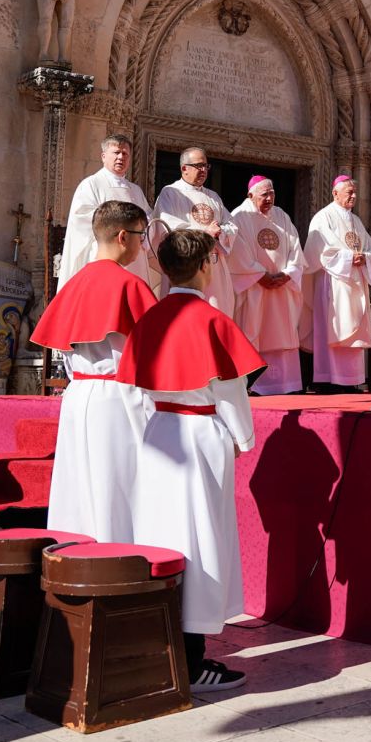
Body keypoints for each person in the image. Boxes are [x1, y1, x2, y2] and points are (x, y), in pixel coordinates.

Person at [119, 229, 261, 690]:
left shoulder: (150, 319)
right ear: (206, 267)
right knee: (199, 539)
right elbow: (230, 391)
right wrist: (243, 438)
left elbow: (135, 388)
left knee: (161, 536)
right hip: (200, 436)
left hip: (158, 432)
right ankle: (193, 659)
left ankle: (162, 645)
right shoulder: (212, 319)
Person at [31, 200, 157, 543]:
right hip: (118, 396)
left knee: (77, 487)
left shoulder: (74, 283)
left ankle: (71, 556)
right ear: (122, 236)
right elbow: (148, 356)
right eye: (140, 235)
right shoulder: (130, 286)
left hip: (78, 395)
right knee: (116, 487)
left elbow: (65, 350)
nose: (141, 244)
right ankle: (117, 561)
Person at [303, 176, 371, 390]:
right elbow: (318, 252)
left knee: (353, 330)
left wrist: (365, 257)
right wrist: (348, 258)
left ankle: (351, 380)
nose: (354, 196)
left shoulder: (356, 221)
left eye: (355, 192)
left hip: (354, 283)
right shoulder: (323, 218)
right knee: (334, 328)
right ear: (335, 193)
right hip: (333, 283)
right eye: (349, 192)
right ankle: (329, 380)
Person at [229, 177, 305, 396]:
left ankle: (285, 385)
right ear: (250, 195)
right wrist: (259, 275)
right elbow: (237, 253)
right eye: (264, 195)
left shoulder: (281, 216)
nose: (270, 198)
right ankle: (254, 385)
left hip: (281, 288)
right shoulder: (239, 217)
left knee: (282, 331)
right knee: (254, 330)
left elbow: (295, 248)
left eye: (272, 193)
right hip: (255, 288)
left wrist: (288, 274)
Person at [154, 147, 241, 316]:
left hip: (213, 266)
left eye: (206, 166)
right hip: (185, 268)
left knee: (215, 312)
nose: (203, 170)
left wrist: (220, 232)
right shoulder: (170, 193)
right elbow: (167, 227)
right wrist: (204, 233)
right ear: (184, 168)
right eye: (198, 166)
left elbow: (232, 225)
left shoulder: (213, 196)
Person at [59, 134, 153, 287]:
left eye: (125, 154)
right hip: (105, 254)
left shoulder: (135, 190)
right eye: (116, 152)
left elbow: (148, 218)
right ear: (103, 156)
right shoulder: (91, 184)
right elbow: (82, 218)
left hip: (134, 256)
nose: (121, 157)